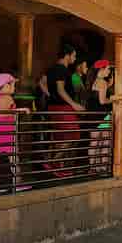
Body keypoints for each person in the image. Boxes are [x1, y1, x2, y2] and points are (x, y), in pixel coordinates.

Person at [0, 74, 31, 193]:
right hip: (4, 131)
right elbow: (3, 113)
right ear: (4, 86)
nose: (14, 87)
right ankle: (18, 182)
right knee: (14, 157)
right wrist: (21, 110)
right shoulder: (6, 97)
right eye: (13, 84)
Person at [45, 44, 84, 178]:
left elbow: (42, 83)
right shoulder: (62, 69)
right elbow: (61, 89)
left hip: (54, 106)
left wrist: (51, 96)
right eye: (74, 55)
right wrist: (74, 104)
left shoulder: (51, 69)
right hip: (63, 107)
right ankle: (53, 162)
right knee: (73, 135)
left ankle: (56, 165)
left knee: (61, 137)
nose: (75, 58)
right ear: (67, 55)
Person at [86, 60, 113, 173]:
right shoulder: (102, 82)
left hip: (92, 115)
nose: (109, 71)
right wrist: (113, 98)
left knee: (94, 142)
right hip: (103, 116)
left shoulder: (92, 81)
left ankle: (93, 167)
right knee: (104, 142)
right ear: (101, 69)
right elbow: (102, 101)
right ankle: (102, 167)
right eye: (108, 69)